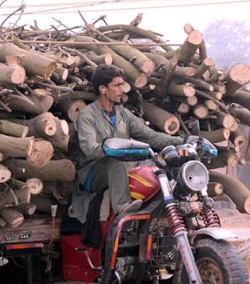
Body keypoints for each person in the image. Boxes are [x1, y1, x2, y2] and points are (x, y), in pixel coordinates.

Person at [69, 64, 182, 225]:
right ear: (103, 89)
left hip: (120, 167)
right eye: (117, 85)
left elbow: (151, 136)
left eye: (122, 84)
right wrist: (112, 149)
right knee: (116, 156)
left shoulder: (123, 114)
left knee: (157, 162)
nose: (122, 89)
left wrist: (182, 141)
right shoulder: (87, 116)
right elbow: (90, 150)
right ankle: (122, 206)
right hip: (92, 175)